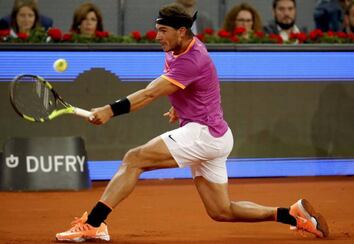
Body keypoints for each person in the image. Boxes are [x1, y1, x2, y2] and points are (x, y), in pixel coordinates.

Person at [55, 3, 329, 242]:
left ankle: (93, 224)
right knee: (221, 211)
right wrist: (180, 107)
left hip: (204, 134)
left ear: (181, 32)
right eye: (157, 29)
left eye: (163, 31)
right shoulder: (177, 48)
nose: (157, 36)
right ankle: (293, 216)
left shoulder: (193, 58)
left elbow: (150, 93)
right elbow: (186, 88)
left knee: (133, 159)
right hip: (214, 135)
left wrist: (109, 110)